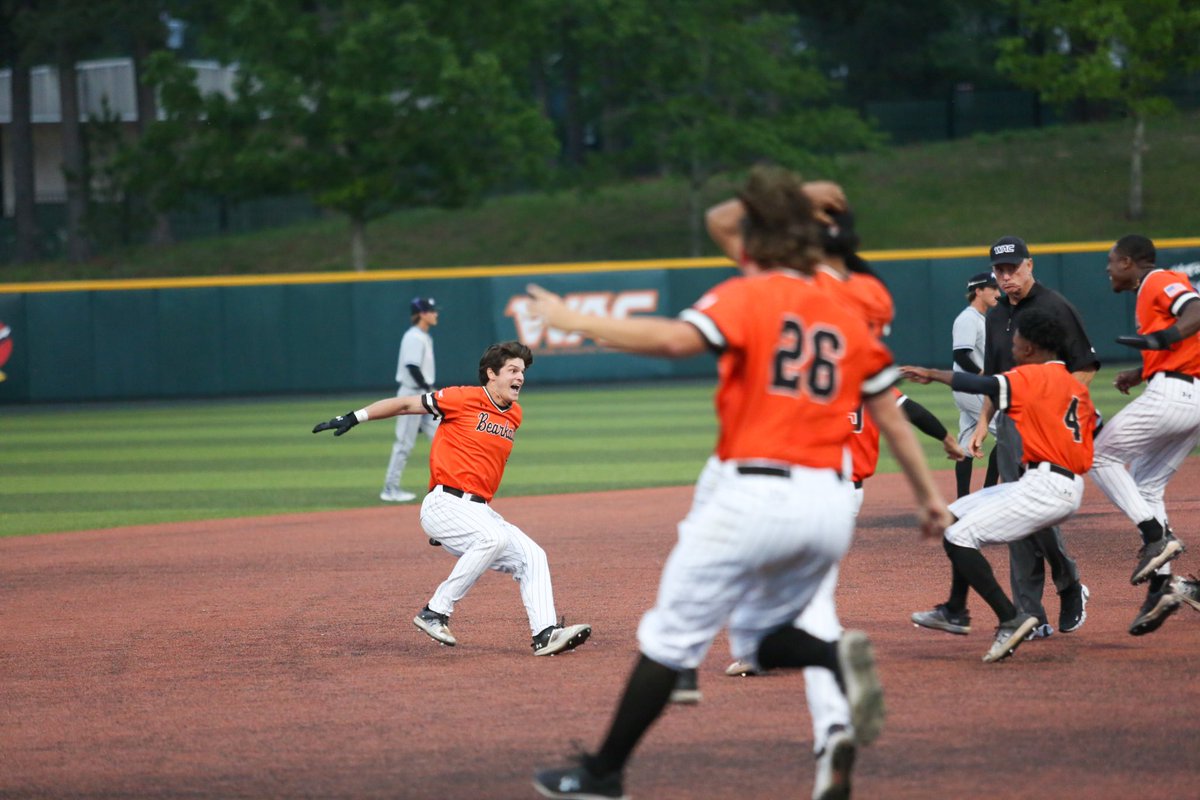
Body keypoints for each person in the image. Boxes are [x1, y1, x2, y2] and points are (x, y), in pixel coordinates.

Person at [527, 165, 952, 800]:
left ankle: (602, 772)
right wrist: (928, 498)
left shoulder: (748, 293)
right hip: (831, 503)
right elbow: (889, 412)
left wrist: (577, 319)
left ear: (757, 238)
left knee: (668, 638)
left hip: (755, 494)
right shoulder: (845, 310)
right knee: (759, 637)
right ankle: (832, 659)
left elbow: (675, 340)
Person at [700, 193, 962, 799]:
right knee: (784, 575)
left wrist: (946, 437)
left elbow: (905, 408)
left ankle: (794, 665)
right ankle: (807, 681)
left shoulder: (828, 350)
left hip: (828, 486)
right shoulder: (849, 347)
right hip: (830, 489)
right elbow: (903, 407)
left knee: (789, 578)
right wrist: (944, 445)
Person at [313, 341, 593, 657]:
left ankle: (545, 634)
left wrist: (457, 535)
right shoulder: (461, 398)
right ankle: (435, 612)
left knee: (533, 555)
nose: (521, 377)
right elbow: (406, 405)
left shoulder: (515, 414)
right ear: (491, 373)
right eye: (513, 370)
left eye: (523, 371)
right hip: (444, 503)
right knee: (493, 538)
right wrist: (353, 416)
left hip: (478, 511)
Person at [902, 309, 1097, 662]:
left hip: (1046, 485)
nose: (1013, 342)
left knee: (959, 537)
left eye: (1018, 338)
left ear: (1031, 347)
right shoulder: (1071, 383)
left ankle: (1010, 619)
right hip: (1056, 481)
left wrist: (931, 373)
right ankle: (955, 611)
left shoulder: (1030, 375)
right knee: (953, 518)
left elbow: (983, 385)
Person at [979, 236, 1096, 641]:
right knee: (1015, 518)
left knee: (1038, 512)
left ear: (1030, 265)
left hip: (1046, 427)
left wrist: (1057, 411)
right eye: (1000, 270)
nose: (1006, 275)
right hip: (1010, 426)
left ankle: (1068, 582)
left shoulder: (1054, 308)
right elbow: (997, 381)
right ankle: (1029, 614)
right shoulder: (995, 316)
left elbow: (1085, 365)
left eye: (1013, 267)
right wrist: (981, 427)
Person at [1090, 234, 1200, 635]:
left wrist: (1162, 340)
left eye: (1111, 261)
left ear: (1128, 262)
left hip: (1175, 394)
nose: (1107, 269)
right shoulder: (1146, 289)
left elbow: (1196, 309)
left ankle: (1156, 536)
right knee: (1146, 485)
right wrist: (1141, 370)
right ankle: (1161, 587)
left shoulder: (1156, 280)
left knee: (1097, 455)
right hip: (1190, 396)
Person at [381, 297, 441, 503]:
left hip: (423, 394)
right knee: (404, 444)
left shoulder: (424, 336)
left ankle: (446, 486)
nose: (435, 314)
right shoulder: (413, 337)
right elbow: (412, 367)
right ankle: (390, 488)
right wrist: (427, 390)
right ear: (422, 314)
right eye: (432, 311)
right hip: (412, 394)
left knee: (441, 437)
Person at [951, 272, 1002, 498]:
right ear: (978, 291)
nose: (998, 293)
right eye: (993, 288)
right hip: (973, 386)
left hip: (970, 386)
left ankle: (962, 501)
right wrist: (984, 377)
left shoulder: (982, 318)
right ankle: (989, 493)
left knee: (965, 444)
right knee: (1010, 435)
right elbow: (961, 355)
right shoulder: (968, 318)